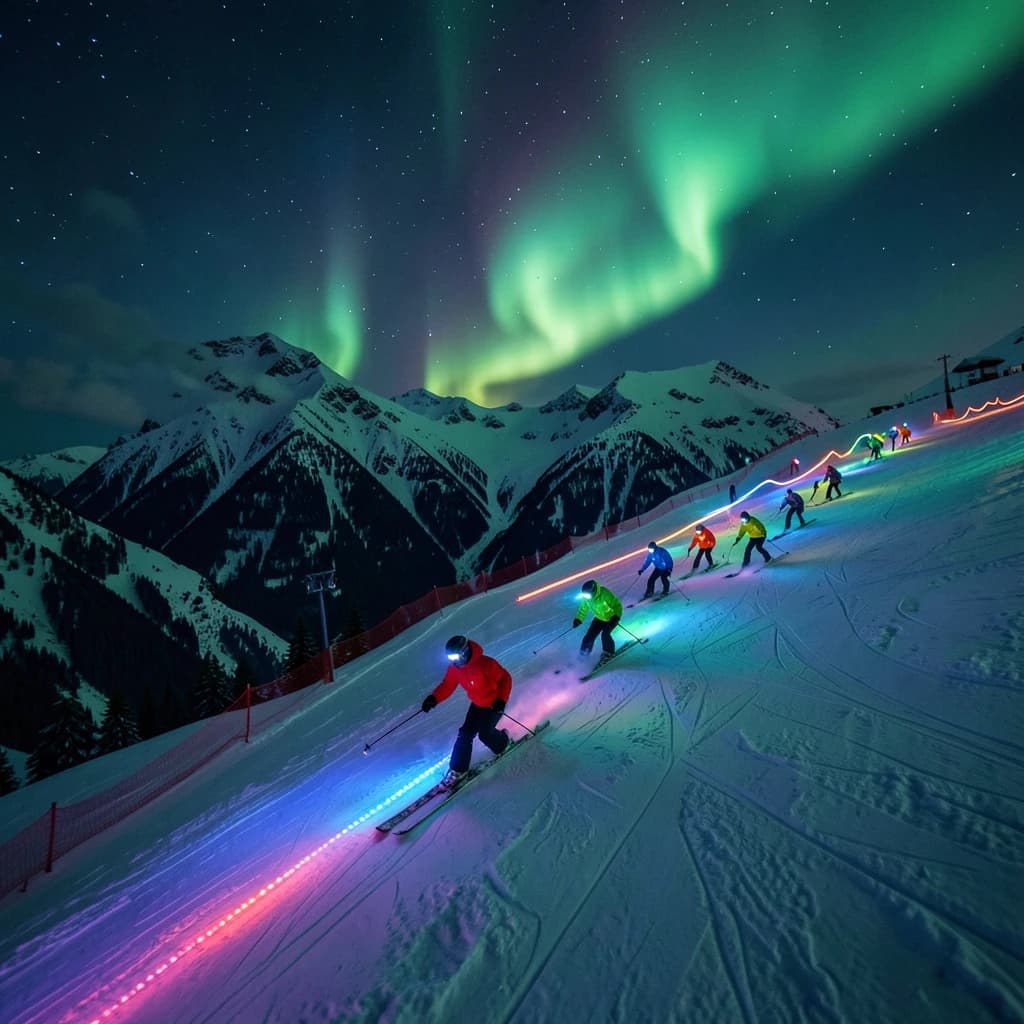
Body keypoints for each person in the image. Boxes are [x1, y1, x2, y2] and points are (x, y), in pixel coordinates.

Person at [420, 635, 512, 787]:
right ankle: (458, 770)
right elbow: (447, 685)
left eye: (455, 657)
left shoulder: (485, 664)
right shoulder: (455, 669)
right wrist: (433, 698)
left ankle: (503, 742)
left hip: (494, 704)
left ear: (463, 652)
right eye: (450, 658)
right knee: (465, 734)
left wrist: (501, 700)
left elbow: (505, 679)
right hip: (477, 704)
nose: (453, 661)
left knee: (485, 734)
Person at [573, 579, 622, 662]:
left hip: (611, 618)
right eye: (585, 595)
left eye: (587, 595)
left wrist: (616, 617)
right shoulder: (586, 598)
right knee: (588, 637)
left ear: (593, 591)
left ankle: (608, 652)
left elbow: (617, 605)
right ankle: (583, 655)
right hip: (599, 618)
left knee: (605, 634)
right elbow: (583, 609)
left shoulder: (604, 593)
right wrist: (578, 619)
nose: (586, 597)